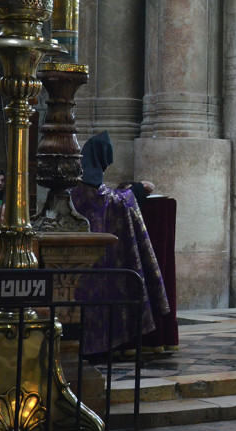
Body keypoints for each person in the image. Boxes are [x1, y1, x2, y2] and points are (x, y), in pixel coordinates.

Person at [70, 131, 171, 355]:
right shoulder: (90, 190)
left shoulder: (76, 189)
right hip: (101, 264)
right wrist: (136, 189)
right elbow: (114, 202)